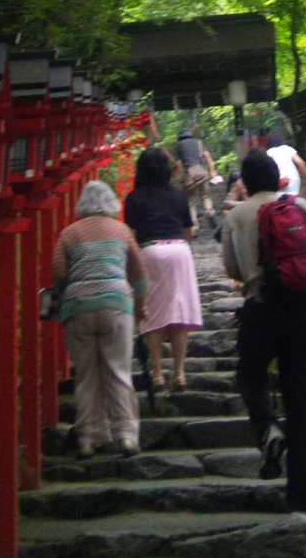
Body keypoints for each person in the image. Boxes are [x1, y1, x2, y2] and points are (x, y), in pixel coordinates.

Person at [221, 148, 306, 521]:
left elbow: (231, 268)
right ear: (279, 177)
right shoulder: (300, 207)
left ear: (245, 183)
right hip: (302, 309)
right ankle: (302, 499)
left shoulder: (238, 214)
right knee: (303, 400)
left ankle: (266, 426)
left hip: (260, 308)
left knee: (250, 377)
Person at [51, 179, 147, 457]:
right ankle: (126, 435)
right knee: (118, 372)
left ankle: (88, 438)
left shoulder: (69, 233)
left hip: (78, 307)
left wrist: (71, 290)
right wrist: (141, 306)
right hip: (117, 305)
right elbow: (139, 274)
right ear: (110, 203)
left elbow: (58, 272)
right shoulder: (122, 231)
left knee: (86, 375)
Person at [123, 146, 203, 391]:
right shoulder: (178, 195)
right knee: (179, 313)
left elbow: (131, 236)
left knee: (153, 311)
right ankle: (179, 373)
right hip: (179, 251)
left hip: (150, 251)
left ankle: (157, 372)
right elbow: (189, 231)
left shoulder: (134, 198)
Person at [173, 125, 218, 231]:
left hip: (190, 173)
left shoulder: (179, 145)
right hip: (201, 171)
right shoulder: (199, 142)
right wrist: (212, 171)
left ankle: (194, 227)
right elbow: (207, 156)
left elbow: (179, 163)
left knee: (191, 202)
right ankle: (210, 212)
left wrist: (180, 178)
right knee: (206, 196)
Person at [266, 126, 306, 197]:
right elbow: (300, 162)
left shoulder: (269, 153)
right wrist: (304, 177)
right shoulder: (288, 149)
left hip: (278, 183)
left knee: (279, 203)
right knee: (292, 202)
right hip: (293, 180)